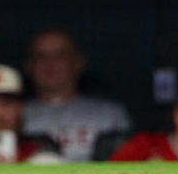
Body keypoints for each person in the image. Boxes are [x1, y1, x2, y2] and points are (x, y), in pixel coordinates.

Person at [21, 29, 131, 163]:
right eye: (40, 56)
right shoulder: (14, 115)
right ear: (29, 65)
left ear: (78, 62)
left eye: (60, 55)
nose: (49, 63)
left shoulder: (110, 114)